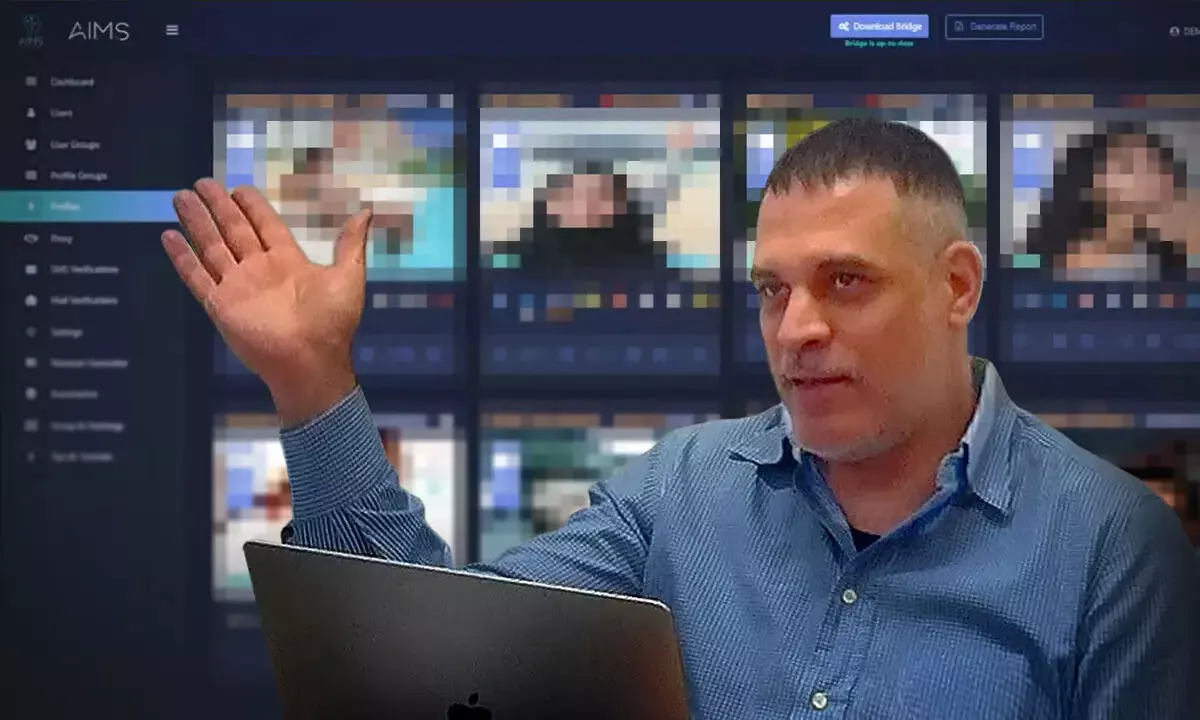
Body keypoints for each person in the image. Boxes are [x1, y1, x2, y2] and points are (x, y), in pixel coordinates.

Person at [163, 117, 1199, 719]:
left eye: (845, 282)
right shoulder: (681, 490)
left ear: (957, 285)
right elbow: (428, 657)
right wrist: (311, 380)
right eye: (772, 289)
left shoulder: (1114, 547)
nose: (796, 329)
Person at [1023, 122, 1192, 282]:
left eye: (1158, 162)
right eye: (1129, 166)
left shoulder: (1168, 261)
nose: (1154, 176)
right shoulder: (1059, 266)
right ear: (1096, 183)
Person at [488, 161, 666, 274]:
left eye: (600, 195)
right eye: (578, 194)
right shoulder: (513, 257)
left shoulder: (650, 260)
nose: (588, 205)